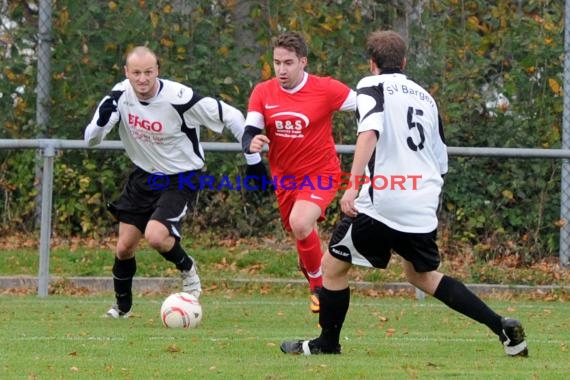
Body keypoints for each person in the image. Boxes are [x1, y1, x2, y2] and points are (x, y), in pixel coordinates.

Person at [280, 30, 528, 356]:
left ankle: (327, 343)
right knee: (421, 275)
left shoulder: (370, 85)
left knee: (332, 267)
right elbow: (440, 160)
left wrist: (352, 186)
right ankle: (503, 328)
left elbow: (369, 131)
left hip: (383, 200)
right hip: (422, 200)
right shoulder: (426, 97)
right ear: (405, 62)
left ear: (372, 64)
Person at [85, 46, 267, 318]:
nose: (143, 79)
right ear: (127, 73)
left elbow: (231, 115)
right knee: (124, 247)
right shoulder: (119, 95)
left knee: (156, 236)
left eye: (148, 72)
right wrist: (101, 121)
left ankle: (187, 268)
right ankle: (122, 308)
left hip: (180, 177)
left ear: (158, 70)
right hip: (144, 176)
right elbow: (90, 139)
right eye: (136, 73)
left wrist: (252, 158)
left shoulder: (179, 97)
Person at [241, 31, 356, 313]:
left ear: (303, 62)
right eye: (277, 62)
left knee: (301, 222)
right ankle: (319, 278)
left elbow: (367, 105)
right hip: (286, 179)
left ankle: (319, 287)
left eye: (288, 63)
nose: (281, 69)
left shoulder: (326, 89)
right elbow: (250, 130)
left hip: (322, 172)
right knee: (302, 235)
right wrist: (252, 142)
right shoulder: (263, 92)